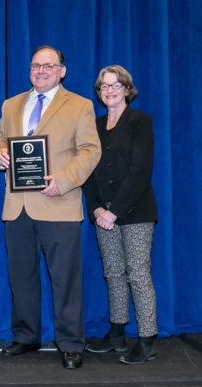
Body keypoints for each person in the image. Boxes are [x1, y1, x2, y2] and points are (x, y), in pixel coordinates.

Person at [0, 45, 101, 369]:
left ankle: (70, 342)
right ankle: (26, 336)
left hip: (59, 203)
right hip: (17, 207)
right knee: (20, 276)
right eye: (36, 66)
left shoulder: (79, 105)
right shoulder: (11, 104)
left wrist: (64, 180)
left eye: (48, 66)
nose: (41, 71)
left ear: (62, 71)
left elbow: (90, 151)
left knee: (65, 278)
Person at [83, 65, 158, 365]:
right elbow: (86, 170)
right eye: (104, 86)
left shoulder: (140, 121)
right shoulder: (95, 126)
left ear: (127, 89)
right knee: (113, 273)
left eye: (115, 85)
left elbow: (140, 171)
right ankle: (116, 334)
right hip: (103, 214)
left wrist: (113, 212)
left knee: (137, 274)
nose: (110, 91)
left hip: (135, 211)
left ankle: (147, 341)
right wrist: (97, 209)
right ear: (99, 93)